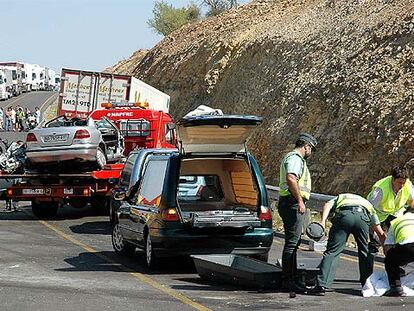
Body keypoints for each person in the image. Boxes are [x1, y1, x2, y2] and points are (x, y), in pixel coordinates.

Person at [311, 193, 386, 295]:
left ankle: (322, 285)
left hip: (344, 216)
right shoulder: (367, 203)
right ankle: (367, 285)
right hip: (362, 218)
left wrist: (323, 222)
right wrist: (387, 249)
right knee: (365, 252)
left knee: (332, 251)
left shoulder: (341, 197)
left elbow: (327, 205)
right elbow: (380, 232)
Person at [278, 132, 317, 293]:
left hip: (290, 202)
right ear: (306, 146)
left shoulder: (293, 158)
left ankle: (291, 278)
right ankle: (288, 280)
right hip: (292, 203)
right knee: (292, 243)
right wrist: (300, 201)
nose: (311, 153)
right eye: (311, 149)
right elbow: (291, 178)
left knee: (292, 242)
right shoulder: (295, 158)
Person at [367, 166, 414, 267]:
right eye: (399, 183)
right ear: (393, 179)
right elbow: (369, 209)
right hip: (378, 216)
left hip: (396, 214)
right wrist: (380, 233)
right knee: (377, 242)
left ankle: (397, 269)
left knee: (399, 244)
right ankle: (367, 270)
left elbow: (412, 202)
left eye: (403, 183)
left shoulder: (407, 185)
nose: (402, 185)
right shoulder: (380, 190)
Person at [383, 210, 414, 296]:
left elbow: (387, 247)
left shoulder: (396, 222)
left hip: (408, 246)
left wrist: (397, 263)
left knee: (390, 260)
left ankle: (396, 288)